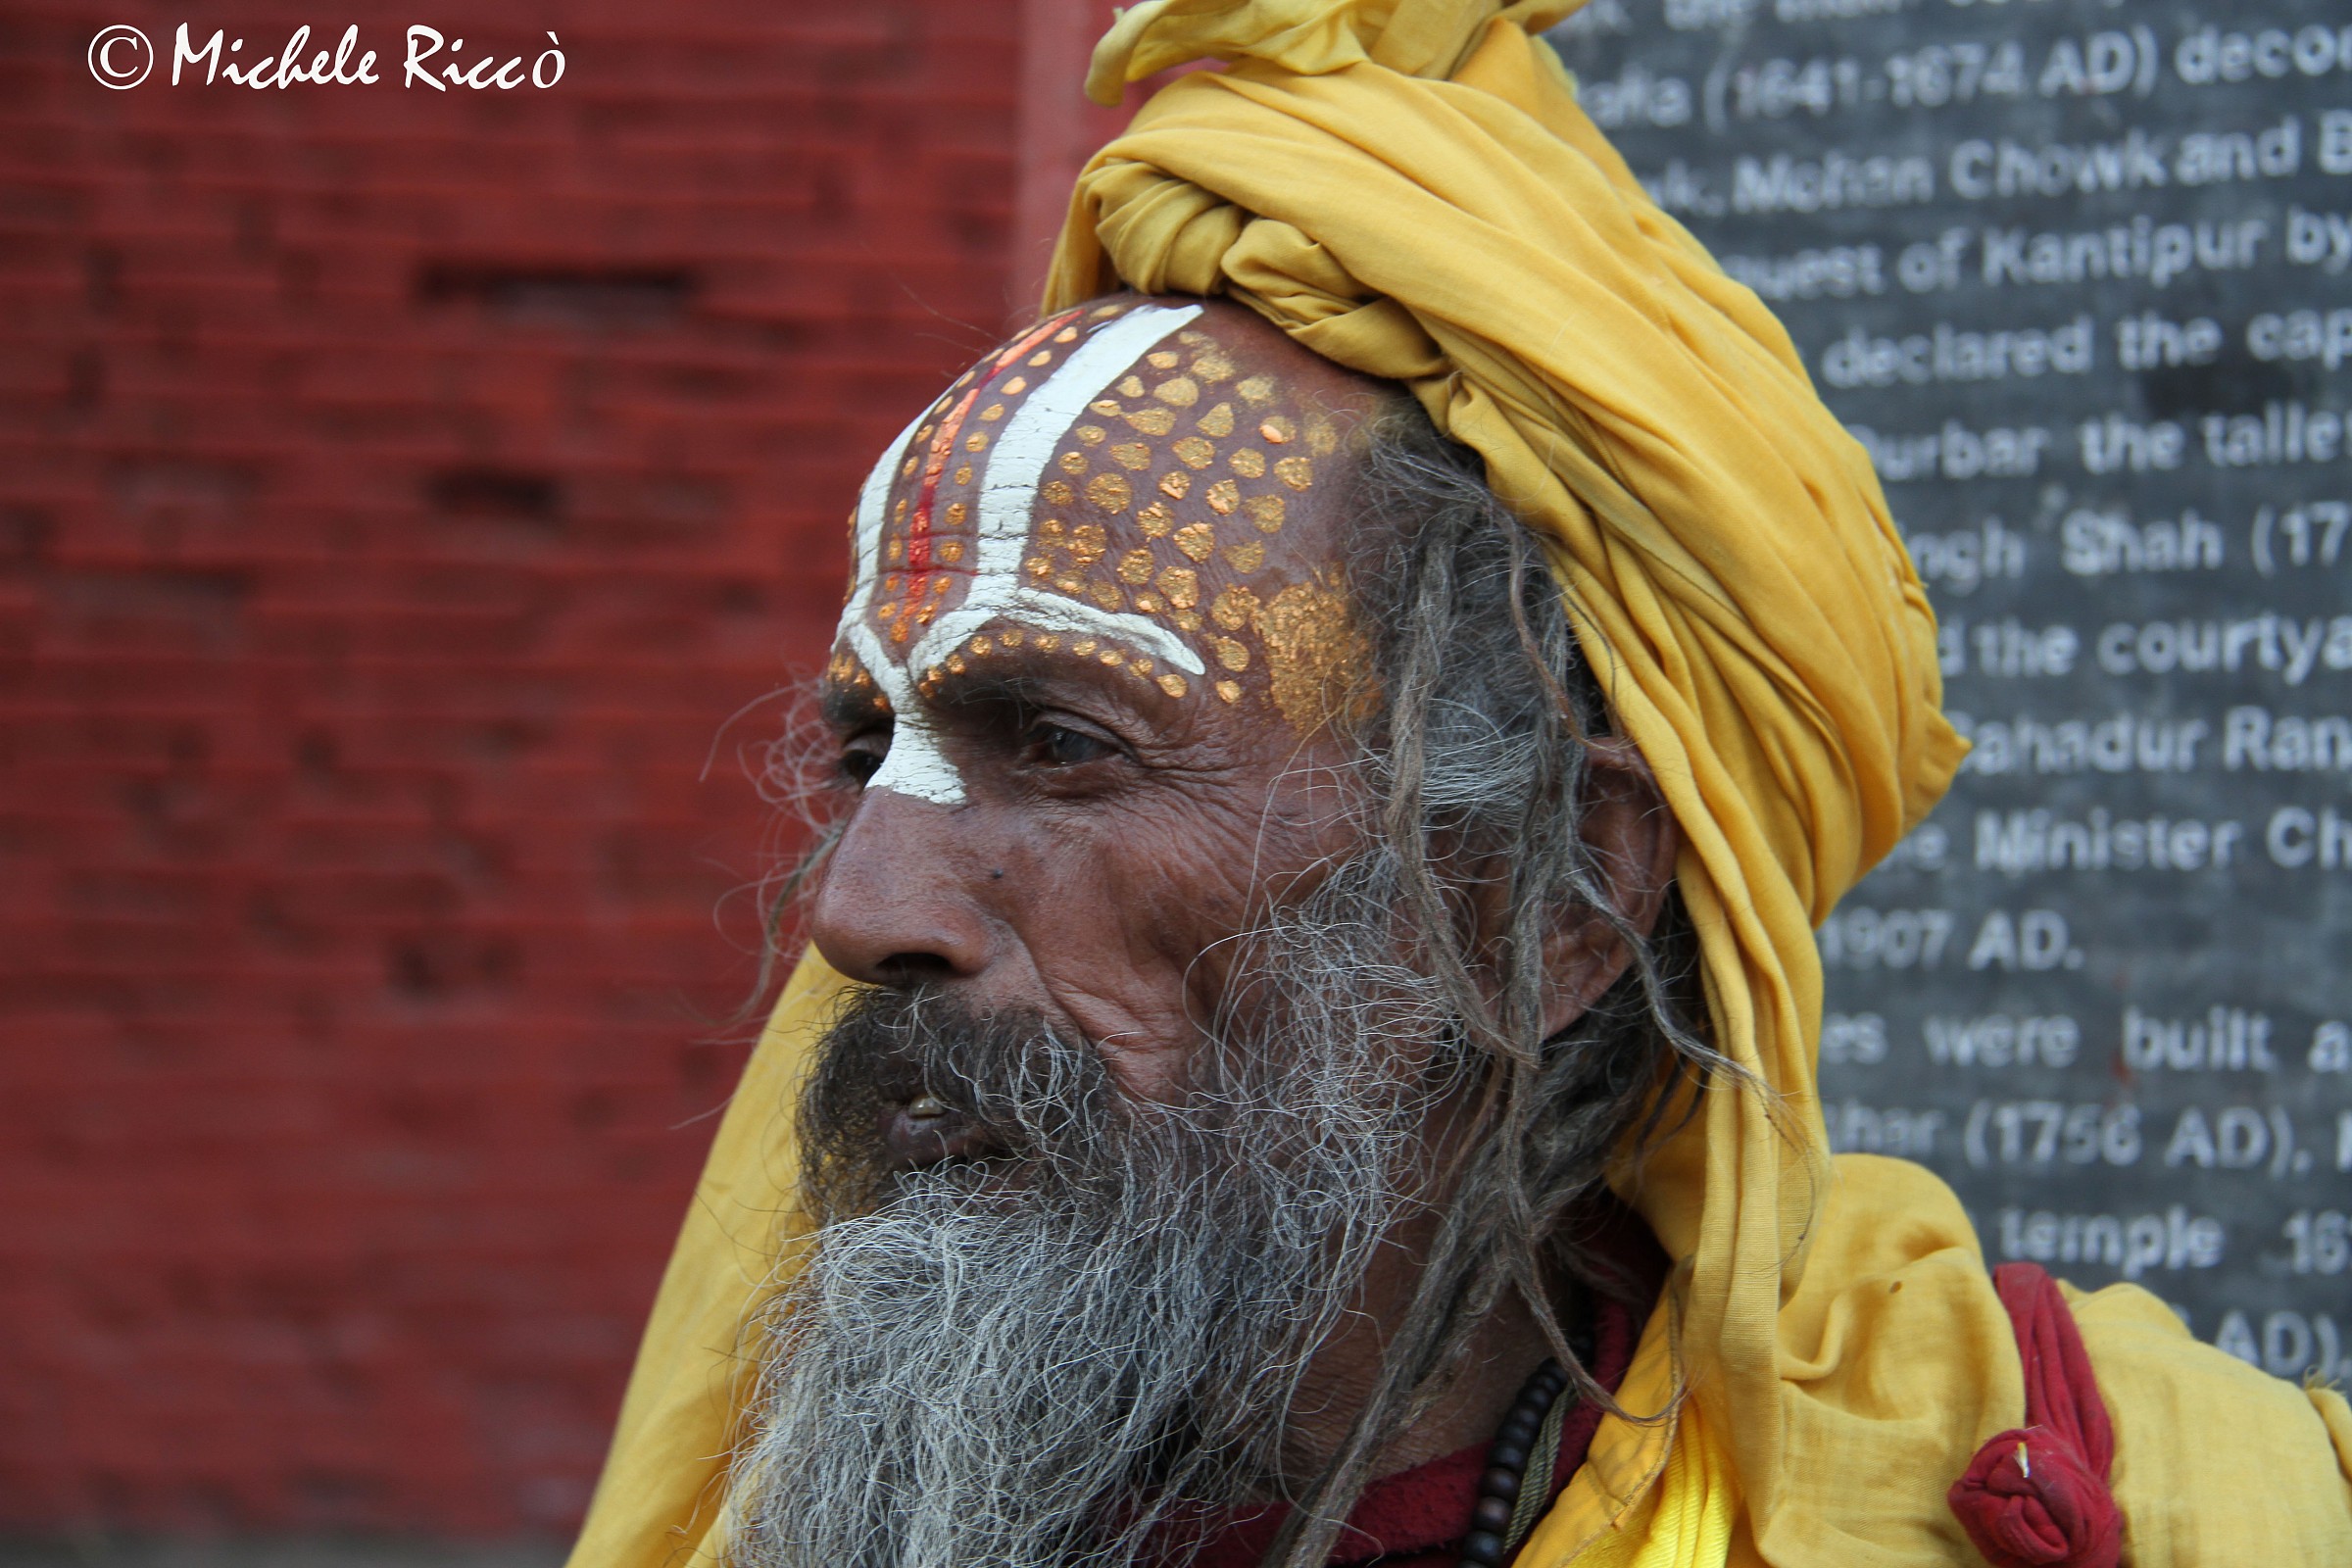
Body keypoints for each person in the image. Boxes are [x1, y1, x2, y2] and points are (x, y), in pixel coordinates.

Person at [566, 3, 2352, 1566]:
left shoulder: (2080, 1499)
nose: (862, 913)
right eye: (867, 752)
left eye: (1064, 744)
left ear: (1554, 893)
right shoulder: (800, 1502)